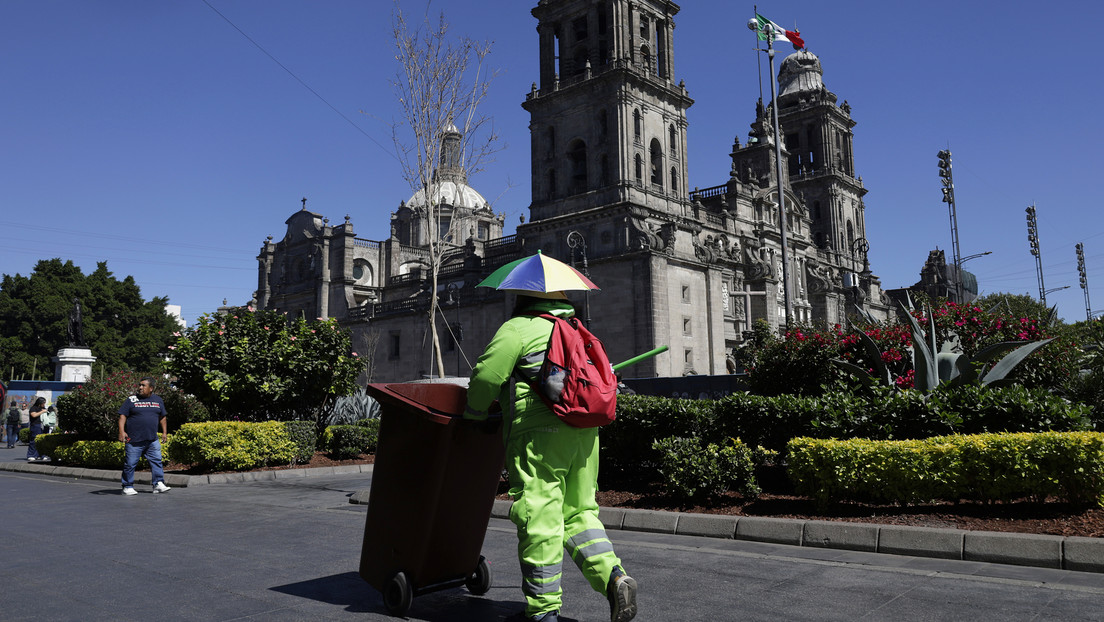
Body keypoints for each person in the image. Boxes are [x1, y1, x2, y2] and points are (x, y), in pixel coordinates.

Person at [465, 292, 637, 622]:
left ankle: (543, 612)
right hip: (585, 433)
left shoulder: (517, 328)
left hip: (539, 436)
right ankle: (614, 578)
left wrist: (474, 415)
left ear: (523, 299)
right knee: (579, 514)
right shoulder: (578, 330)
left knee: (540, 515)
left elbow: (486, 377)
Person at [117, 377, 171, 495]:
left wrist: (164, 432)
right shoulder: (131, 400)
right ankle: (127, 485)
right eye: (139, 385)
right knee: (130, 464)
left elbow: (163, 417)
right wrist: (121, 431)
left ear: (151, 388)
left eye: (143, 386)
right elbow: (122, 416)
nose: (140, 388)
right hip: (134, 440)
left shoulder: (158, 400)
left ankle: (158, 484)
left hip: (152, 439)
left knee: (157, 461)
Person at [26, 397, 50, 462]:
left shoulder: (44, 408)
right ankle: (31, 455)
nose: (44, 404)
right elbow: (33, 415)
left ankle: (41, 455)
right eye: (43, 403)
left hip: (43, 425)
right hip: (35, 425)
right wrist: (42, 412)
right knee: (34, 440)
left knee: (42, 441)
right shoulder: (33, 408)